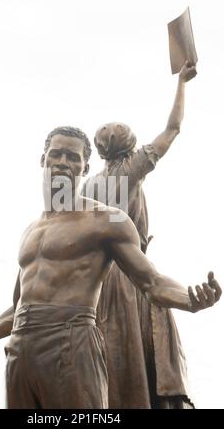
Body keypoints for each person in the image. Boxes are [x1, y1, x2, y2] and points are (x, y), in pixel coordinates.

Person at [0, 126, 221, 409]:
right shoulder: (31, 230)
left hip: (72, 342)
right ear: (42, 160)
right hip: (21, 350)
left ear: (84, 168)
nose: (63, 162)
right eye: (56, 154)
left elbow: (151, 282)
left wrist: (189, 299)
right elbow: (19, 307)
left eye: (73, 157)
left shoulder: (107, 220)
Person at [82, 62, 197, 408]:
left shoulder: (88, 187)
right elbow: (173, 128)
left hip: (99, 282)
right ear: (129, 147)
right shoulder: (130, 171)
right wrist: (182, 82)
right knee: (147, 357)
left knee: (115, 359)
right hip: (134, 277)